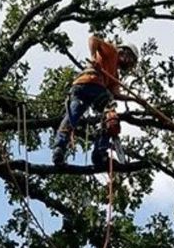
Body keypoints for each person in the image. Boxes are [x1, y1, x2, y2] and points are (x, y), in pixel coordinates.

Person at [52, 36, 139, 167]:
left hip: (82, 89)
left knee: (72, 116)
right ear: (124, 52)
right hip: (91, 84)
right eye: (130, 59)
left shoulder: (114, 74)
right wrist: (94, 57)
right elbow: (93, 39)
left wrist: (135, 99)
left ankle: (59, 150)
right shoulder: (112, 52)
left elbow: (116, 94)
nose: (129, 63)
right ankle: (99, 154)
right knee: (110, 117)